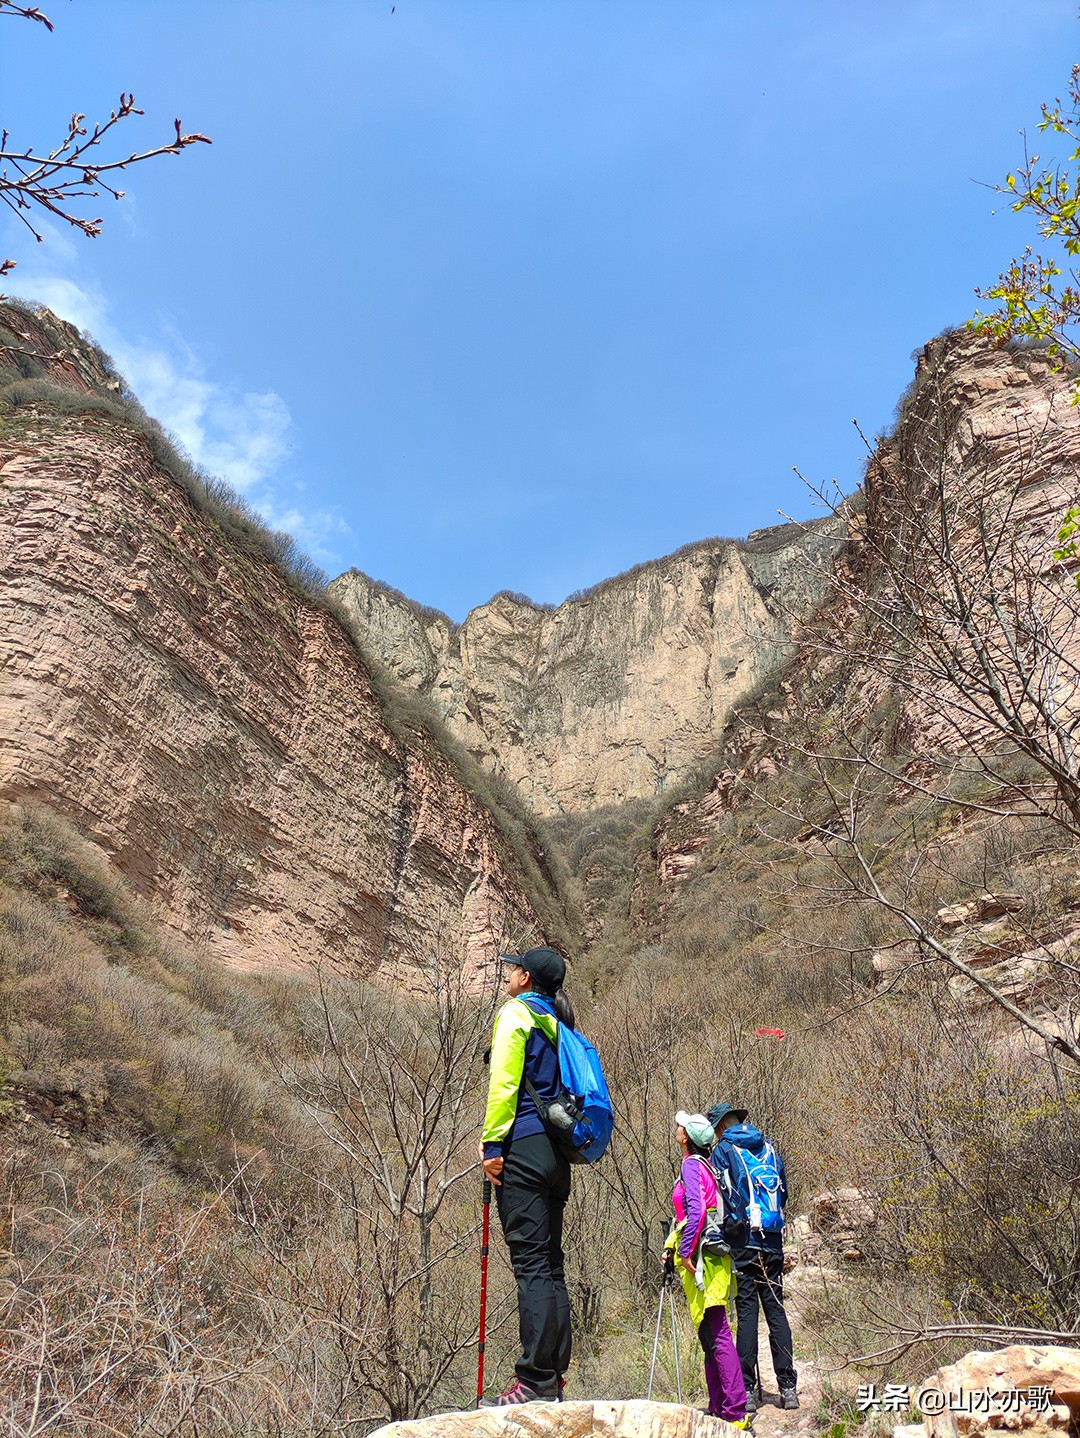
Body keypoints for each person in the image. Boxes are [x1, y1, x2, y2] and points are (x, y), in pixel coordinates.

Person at [479, 946, 576, 1406]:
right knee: (551, 1264)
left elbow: (503, 1081)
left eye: (514, 968)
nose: (509, 973)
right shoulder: (560, 1023)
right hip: (557, 1157)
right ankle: (553, 1375)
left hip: (523, 1146)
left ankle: (534, 1379)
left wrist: (493, 1145)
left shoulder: (517, 1013)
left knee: (531, 1265)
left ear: (526, 978)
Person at [708, 1102, 798, 1412]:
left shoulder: (723, 1149)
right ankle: (788, 1389)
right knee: (775, 1310)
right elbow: (783, 1194)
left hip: (744, 1241)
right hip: (772, 1240)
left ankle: (745, 1389)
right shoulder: (768, 1147)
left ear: (721, 1126)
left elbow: (720, 1197)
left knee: (747, 1315)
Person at [665, 1110, 748, 1426]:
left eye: (680, 1127)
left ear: (686, 1137)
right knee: (708, 1334)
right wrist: (672, 1245)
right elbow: (689, 1214)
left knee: (718, 1331)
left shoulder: (690, 1165)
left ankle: (735, 1410)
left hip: (705, 1260)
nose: (677, 1129)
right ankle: (718, 1407)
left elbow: (698, 1209)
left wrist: (685, 1249)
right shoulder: (706, 1165)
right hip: (708, 1257)